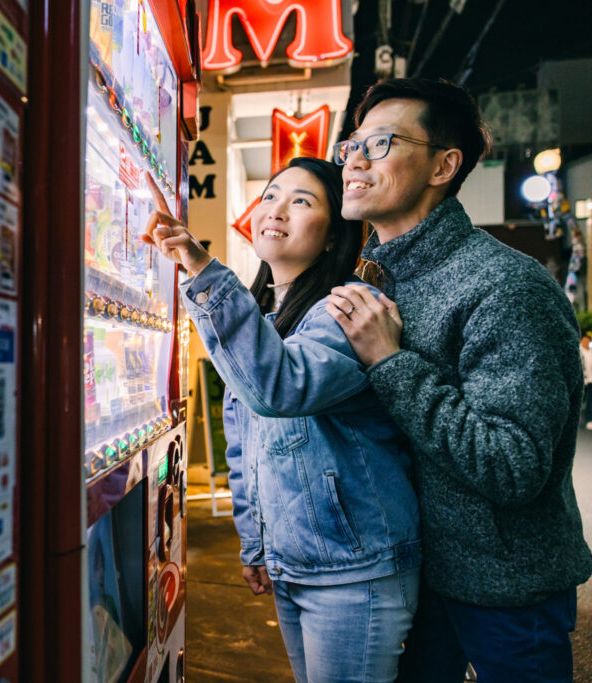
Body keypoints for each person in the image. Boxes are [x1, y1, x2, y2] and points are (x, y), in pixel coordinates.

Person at [325, 78, 592, 683]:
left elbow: (513, 464)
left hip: (508, 590)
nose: (355, 160)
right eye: (352, 145)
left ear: (444, 166)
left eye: (381, 143)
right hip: (410, 573)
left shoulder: (505, 287)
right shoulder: (375, 280)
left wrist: (391, 362)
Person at [142, 157, 421, 683]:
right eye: (270, 195)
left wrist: (201, 267)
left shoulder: (352, 308)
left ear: (334, 235)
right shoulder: (261, 318)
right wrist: (255, 543)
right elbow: (243, 447)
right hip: (295, 565)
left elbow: (281, 388)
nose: (277, 209)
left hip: (355, 570)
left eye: (302, 201)